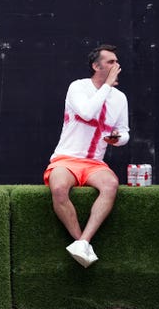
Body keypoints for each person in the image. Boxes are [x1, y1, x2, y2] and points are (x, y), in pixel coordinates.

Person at [43, 45, 129, 268]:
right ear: (95, 66)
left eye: (116, 61)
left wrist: (118, 139)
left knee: (111, 184)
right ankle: (80, 240)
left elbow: (125, 131)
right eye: (110, 62)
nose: (116, 66)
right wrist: (107, 86)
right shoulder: (78, 87)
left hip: (94, 162)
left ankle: (83, 242)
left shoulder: (120, 98)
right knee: (59, 188)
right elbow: (87, 112)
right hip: (66, 158)